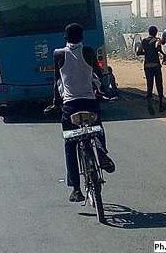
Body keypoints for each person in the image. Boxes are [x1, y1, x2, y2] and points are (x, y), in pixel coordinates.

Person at [52, 23, 115, 203]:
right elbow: (97, 74)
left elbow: (57, 81)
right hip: (90, 102)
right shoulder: (88, 51)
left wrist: (55, 102)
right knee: (98, 128)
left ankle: (76, 189)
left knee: (70, 145)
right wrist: (102, 91)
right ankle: (101, 151)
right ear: (82, 37)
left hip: (70, 106)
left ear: (65, 38)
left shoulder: (58, 54)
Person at [136, 26, 166, 114]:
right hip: (156, 65)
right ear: (156, 32)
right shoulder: (157, 40)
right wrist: (164, 54)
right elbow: (158, 49)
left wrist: (147, 52)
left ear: (149, 32)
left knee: (149, 85)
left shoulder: (144, 41)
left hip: (147, 65)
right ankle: (160, 105)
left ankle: (149, 105)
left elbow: (138, 52)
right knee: (159, 84)